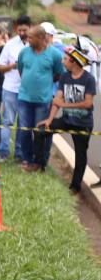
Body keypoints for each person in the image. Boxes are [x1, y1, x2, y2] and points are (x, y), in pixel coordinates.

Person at [35, 45, 95, 191]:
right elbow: (57, 101)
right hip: (66, 120)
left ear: (74, 61)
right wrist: (49, 120)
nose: (62, 62)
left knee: (80, 155)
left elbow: (88, 103)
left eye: (65, 59)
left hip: (83, 124)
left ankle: (75, 186)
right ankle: (40, 165)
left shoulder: (89, 79)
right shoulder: (65, 77)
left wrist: (65, 104)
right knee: (40, 131)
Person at [16, 25, 64, 171]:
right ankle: (26, 159)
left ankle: (39, 162)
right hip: (24, 98)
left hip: (43, 100)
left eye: (31, 37)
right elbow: (21, 70)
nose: (27, 39)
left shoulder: (55, 54)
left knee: (40, 133)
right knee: (24, 131)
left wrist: (44, 86)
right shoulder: (24, 52)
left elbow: (58, 74)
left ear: (42, 38)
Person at [0, 15, 31, 159]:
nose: (22, 33)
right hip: (10, 89)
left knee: (23, 123)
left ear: (30, 27)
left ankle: (19, 153)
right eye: (19, 30)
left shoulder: (34, 45)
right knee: (8, 121)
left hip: (27, 90)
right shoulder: (10, 44)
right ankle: (3, 152)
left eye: (25, 30)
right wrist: (12, 66)